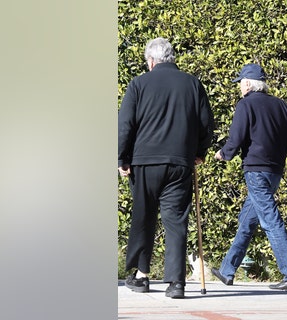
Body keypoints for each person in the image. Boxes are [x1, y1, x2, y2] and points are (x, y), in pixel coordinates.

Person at [118, 37, 214, 299]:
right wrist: (199, 152)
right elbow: (206, 124)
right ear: (171, 58)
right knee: (176, 221)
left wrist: (121, 158)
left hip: (145, 161)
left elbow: (125, 123)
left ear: (151, 61)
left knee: (143, 217)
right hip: (179, 162)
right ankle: (176, 283)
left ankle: (141, 275)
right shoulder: (192, 84)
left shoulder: (138, 83)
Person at [210, 63, 287, 290]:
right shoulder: (282, 106)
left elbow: (236, 138)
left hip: (256, 171)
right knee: (248, 220)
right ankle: (228, 270)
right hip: (275, 172)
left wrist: (224, 153)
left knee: (270, 220)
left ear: (247, 83)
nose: (239, 87)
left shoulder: (245, 105)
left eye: (240, 83)